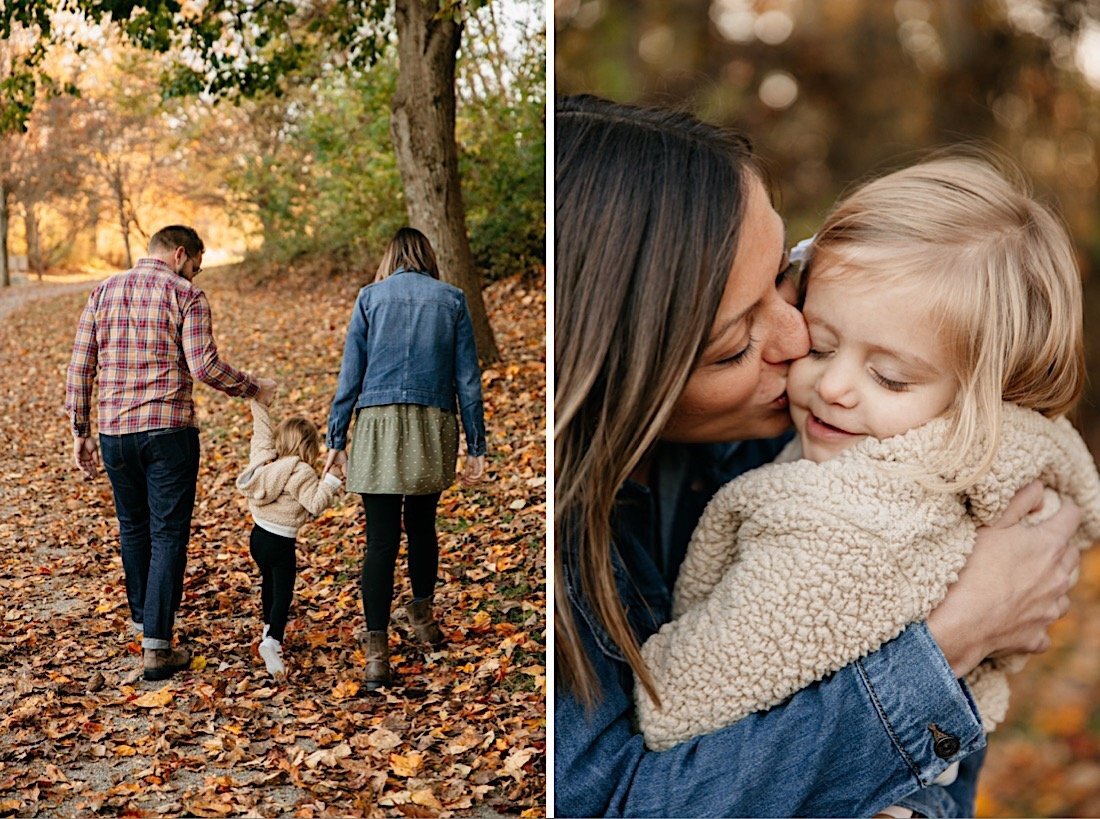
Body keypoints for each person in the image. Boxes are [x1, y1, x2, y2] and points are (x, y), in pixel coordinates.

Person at [554, 95, 1083, 818]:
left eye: (785, 277)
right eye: (735, 345)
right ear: (622, 376)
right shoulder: (555, 550)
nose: (799, 344)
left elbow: (941, 763)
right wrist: (955, 635)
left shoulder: (832, 442)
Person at [65, 225, 276, 682]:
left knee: (133, 527)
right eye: (195, 267)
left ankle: (146, 624)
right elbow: (203, 365)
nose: (195, 277)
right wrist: (253, 387)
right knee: (167, 533)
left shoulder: (103, 291)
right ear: (181, 254)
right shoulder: (186, 297)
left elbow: (81, 365)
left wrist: (80, 428)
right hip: (168, 433)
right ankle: (157, 646)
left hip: (115, 433)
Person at [324, 227, 487, 691]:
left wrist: (336, 437)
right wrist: (476, 444)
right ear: (427, 256)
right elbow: (468, 379)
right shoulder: (451, 299)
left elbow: (350, 374)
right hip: (431, 422)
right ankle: (422, 617)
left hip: (377, 423)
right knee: (421, 526)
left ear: (391, 257)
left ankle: (377, 653)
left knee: (379, 541)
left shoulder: (370, 297)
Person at [236, 399, 345, 678]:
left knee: (268, 581)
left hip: (257, 538)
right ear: (309, 447)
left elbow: (261, 432)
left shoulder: (264, 461)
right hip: (281, 543)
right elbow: (315, 503)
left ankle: (266, 626)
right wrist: (331, 480)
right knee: (283, 590)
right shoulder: (302, 472)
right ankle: (273, 640)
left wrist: (257, 400)